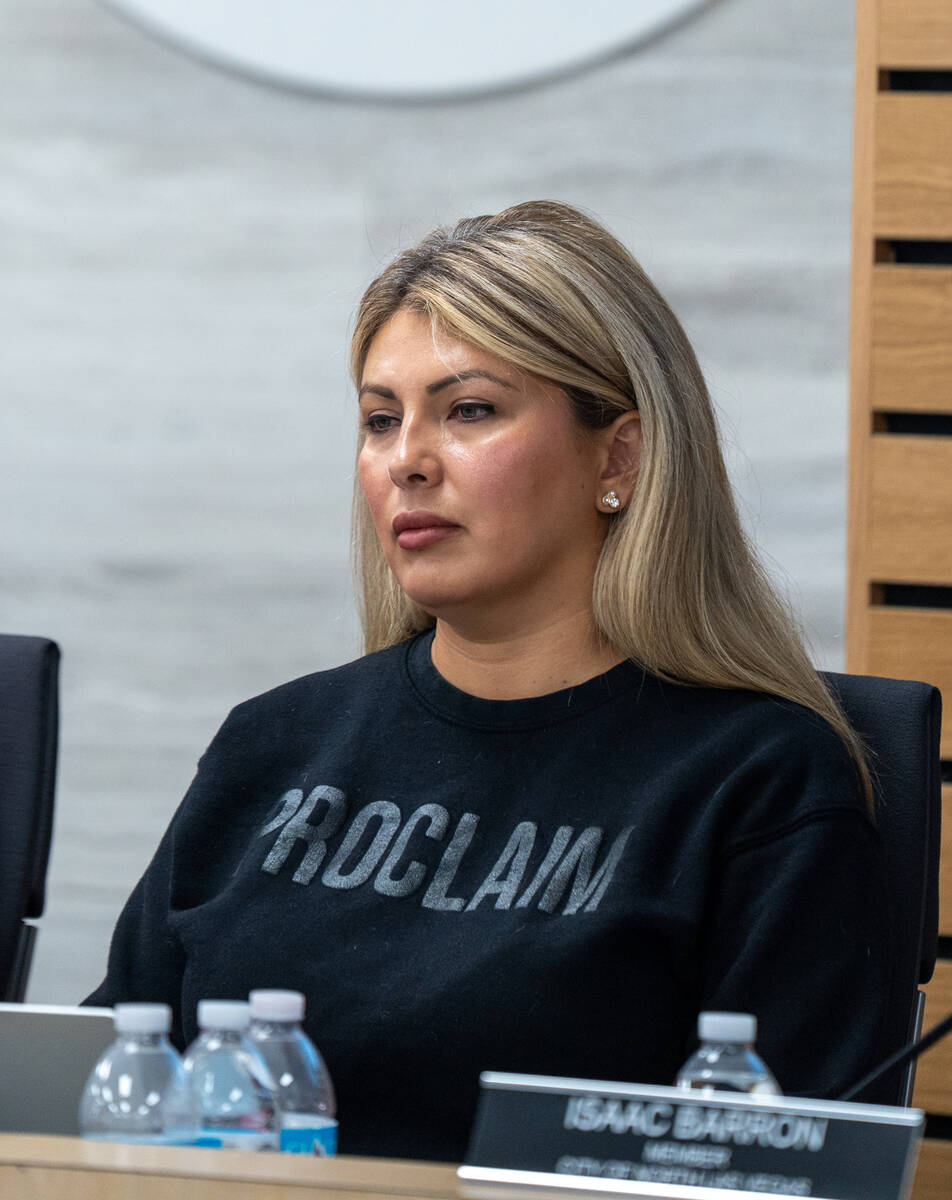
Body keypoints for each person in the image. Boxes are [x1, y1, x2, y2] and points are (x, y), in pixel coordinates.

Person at [86, 201, 896, 1162]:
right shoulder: (273, 742)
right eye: (380, 420)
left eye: (469, 410)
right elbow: (100, 1092)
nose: (407, 461)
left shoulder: (762, 783)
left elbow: (786, 1166)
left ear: (620, 455)